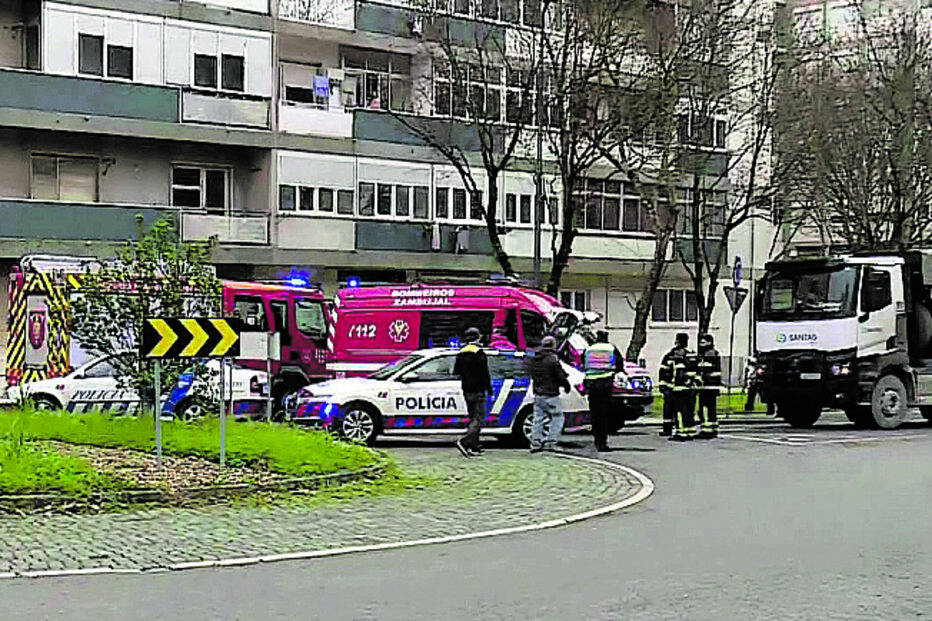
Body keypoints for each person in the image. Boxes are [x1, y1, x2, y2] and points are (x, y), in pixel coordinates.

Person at [581, 330, 623, 452]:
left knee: (595, 414)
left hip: (591, 384)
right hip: (605, 383)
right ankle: (603, 443)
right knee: (603, 414)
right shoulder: (611, 348)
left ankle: (597, 440)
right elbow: (619, 364)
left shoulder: (589, 349)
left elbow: (582, 363)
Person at [453, 327, 492, 458]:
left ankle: (474, 445)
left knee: (472, 417)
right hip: (479, 389)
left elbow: (456, 371)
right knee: (479, 418)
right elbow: (484, 373)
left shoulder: (461, 353)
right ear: (478, 338)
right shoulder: (479, 353)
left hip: (466, 389)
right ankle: (465, 441)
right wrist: (489, 389)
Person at [529, 335, 571, 453]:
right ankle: (551, 442)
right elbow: (559, 376)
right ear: (553, 345)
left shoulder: (535, 358)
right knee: (557, 417)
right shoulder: (552, 359)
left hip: (538, 392)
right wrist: (566, 385)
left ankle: (535, 442)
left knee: (538, 418)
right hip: (551, 393)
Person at [659, 332, 699, 442]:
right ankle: (690, 431)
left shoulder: (672, 355)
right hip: (691, 388)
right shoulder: (692, 354)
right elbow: (697, 371)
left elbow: (665, 372)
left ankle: (681, 433)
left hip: (678, 388)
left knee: (679, 411)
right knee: (689, 411)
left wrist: (664, 386)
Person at [696, 333, 722, 439]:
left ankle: (707, 430)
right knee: (711, 409)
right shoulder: (713, 353)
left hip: (707, 386)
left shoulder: (709, 355)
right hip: (712, 386)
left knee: (705, 409)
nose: (700, 345)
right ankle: (713, 428)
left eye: (703, 342)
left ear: (709, 343)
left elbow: (705, 369)